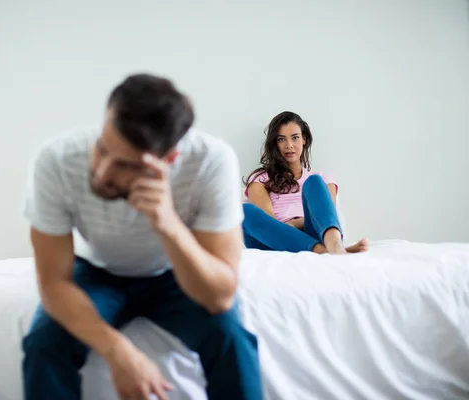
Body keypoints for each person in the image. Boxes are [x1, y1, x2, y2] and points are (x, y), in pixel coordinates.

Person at [22, 73, 263, 400]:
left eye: (125, 165)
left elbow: (220, 295)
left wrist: (168, 223)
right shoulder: (58, 160)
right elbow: (53, 285)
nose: (103, 171)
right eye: (102, 149)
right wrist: (120, 352)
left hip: (176, 274)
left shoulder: (211, 161)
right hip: (97, 272)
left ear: (169, 160)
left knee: (232, 339)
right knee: (44, 344)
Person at [243, 111, 368, 255]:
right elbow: (270, 224)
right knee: (244, 211)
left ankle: (334, 245)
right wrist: (288, 228)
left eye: (295, 138)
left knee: (314, 181)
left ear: (304, 139)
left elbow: (325, 217)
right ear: (275, 143)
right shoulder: (260, 180)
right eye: (281, 139)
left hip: (314, 232)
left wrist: (294, 223)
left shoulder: (322, 180)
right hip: (278, 239)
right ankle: (324, 251)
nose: (289, 145)